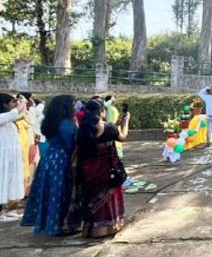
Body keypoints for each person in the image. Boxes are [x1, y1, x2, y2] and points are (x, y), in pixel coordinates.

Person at [21, 95, 80, 235]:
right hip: (61, 159)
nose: (75, 108)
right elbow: (70, 144)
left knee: (50, 191)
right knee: (60, 192)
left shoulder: (50, 121)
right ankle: (58, 225)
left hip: (49, 158)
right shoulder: (66, 124)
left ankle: (50, 224)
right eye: (73, 105)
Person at [77, 99, 130, 237]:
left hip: (88, 170)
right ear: (101, 112)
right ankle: (110, 226)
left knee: (91, 196)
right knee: (110, 197)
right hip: (107, 170)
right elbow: (123, 137)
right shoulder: (108, 128)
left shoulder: (82, 129)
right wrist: (126, 122)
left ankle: (92, 228)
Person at [0, 94, 26, 223]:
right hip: (2, 158)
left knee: (7, 182)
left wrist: (22, 103)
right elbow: (15, 113)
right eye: (11, 103)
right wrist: (21, 104)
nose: (13, 105)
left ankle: (4, 211)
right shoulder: (3, 117)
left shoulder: (8, 119)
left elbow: (19, 114)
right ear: (4, 105)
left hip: (9, 158)